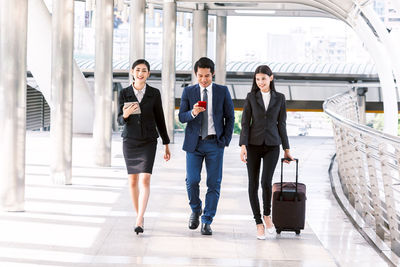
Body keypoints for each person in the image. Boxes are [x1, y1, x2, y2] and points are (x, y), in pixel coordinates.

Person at [178, 57, 234, 235]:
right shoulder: (188, 91)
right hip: (194, 144)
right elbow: (181, 117)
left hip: (214, 144)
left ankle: (207, 220)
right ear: (196, 74)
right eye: (200, 76)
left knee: (213, 183)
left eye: (207, 76)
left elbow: (230, 117)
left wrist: (224, 140)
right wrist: (193, 112)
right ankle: (196, 209)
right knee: (192, 180)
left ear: (213, 74)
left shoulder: (222, 91)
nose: (204, 79)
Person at [239, 65, 294, 240]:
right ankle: (258, 223)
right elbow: (245, 123)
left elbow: (282, 124)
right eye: (257, 79)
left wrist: (286, 149)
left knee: (266, 182)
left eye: (263, 78)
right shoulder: (250, 97)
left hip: (272, 145)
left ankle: (267, 216)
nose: (260, 82)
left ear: (271, 78)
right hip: (253, 145)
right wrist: (243, 146)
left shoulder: (280, 98)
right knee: (253, 184)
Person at [118, 59, 171, 235]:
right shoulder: (124, 92)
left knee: (145, 179)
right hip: (130, 140)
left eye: (144, 70)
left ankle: (140, 219)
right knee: (132, 181)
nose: (141, 73)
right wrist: (124, 115)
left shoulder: (154, 93)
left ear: (148, 74)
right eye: (138, 70)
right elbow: (119, 120)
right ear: (132, 72)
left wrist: (166, 142)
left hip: (148, 140)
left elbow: (160, 118)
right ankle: (138, 215)